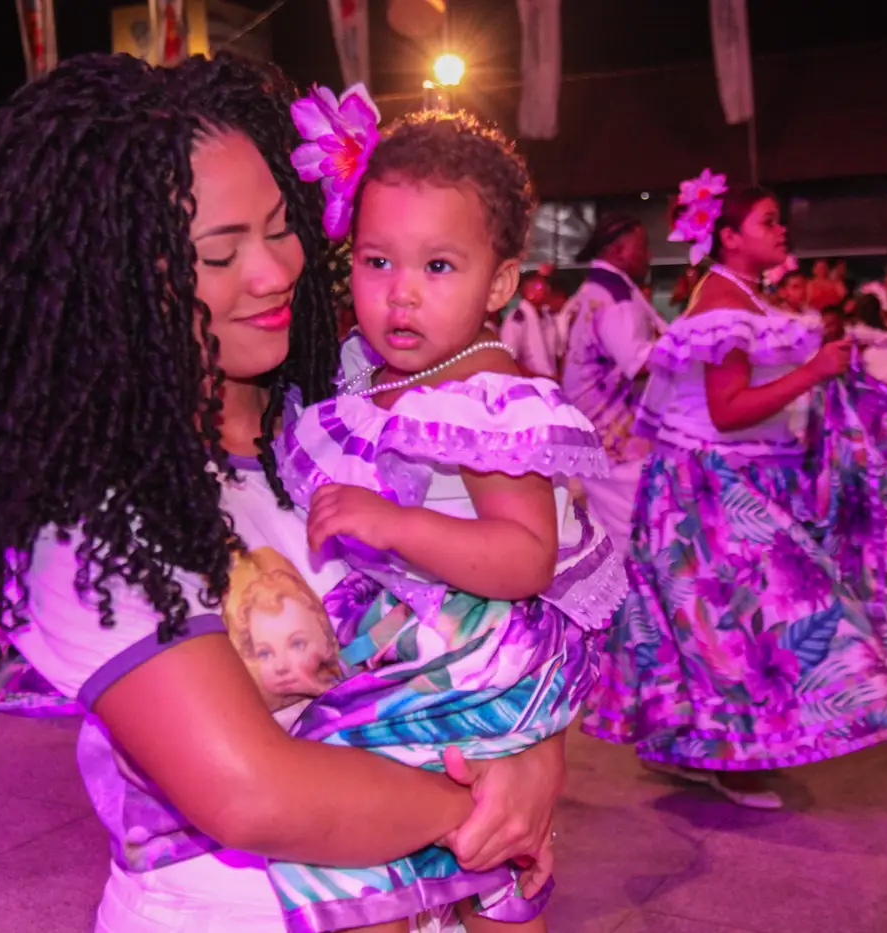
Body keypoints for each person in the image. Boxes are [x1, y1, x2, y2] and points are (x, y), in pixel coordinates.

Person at [0, 53, 564, 933]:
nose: (275, 271)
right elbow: (250, 790)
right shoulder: (94, 514)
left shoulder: (338, 422)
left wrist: (537, 757)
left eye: (280, 227)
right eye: (221, 251)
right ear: (115, 278)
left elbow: (507, 614)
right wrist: (489, 812)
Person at [274, 103, 625, 933]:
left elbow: (526, 556)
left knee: (366, 831)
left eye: (438, 265)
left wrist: (394, 526)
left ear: (499, 283)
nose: (400, 292)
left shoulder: (482, 398)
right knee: (453, 859)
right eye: (377, 260)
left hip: (474, 654)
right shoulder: (374, 374)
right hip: (427, 640)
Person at [582, 175, 887, 810]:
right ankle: (737, 756)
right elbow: (728, 411)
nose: (780, 229)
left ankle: (702, 749)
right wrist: (814, 371)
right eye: (767, 220)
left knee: (724, 625)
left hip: (725, 482)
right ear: (729, 236)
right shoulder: (722, 305)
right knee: (767, 617)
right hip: (705, 490)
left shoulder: (743, 294)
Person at [561, 211, 666, 554]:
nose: (648, 255)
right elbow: (637, 361)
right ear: (620, 251)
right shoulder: (615, 296)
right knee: (630, 531)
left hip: (590, 423)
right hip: (609, 430)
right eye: (643, 247)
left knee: (602, 527)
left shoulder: (593, 288)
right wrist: (689, 350)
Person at [499, 269, 560, 378]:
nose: (545, 290)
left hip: (551, 381)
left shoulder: (548, 318)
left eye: (545, 285)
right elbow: (509, 359)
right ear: (527, 291)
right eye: (538, 287)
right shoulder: (517, 318)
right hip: (531, 383)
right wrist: (537, 378)